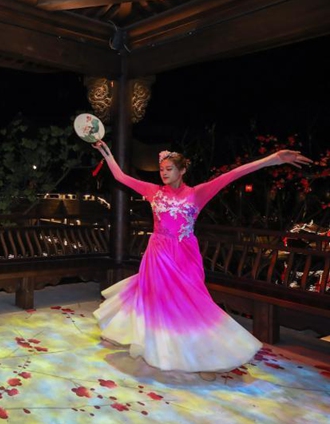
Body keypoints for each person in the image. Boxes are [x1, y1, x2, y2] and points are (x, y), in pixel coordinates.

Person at [91, 140, 312, 377]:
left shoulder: (197, 193)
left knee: (191, 304)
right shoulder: (154, 191)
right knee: (157, 301)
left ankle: (205, 356)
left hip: (185, 255)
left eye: (169, 169)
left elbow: (233, 174)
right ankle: (161, 349)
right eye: (162, 169)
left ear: (182, 170)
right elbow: (121, 177)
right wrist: (106, 151)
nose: (164, 173)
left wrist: (274, 159)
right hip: (158, 253)